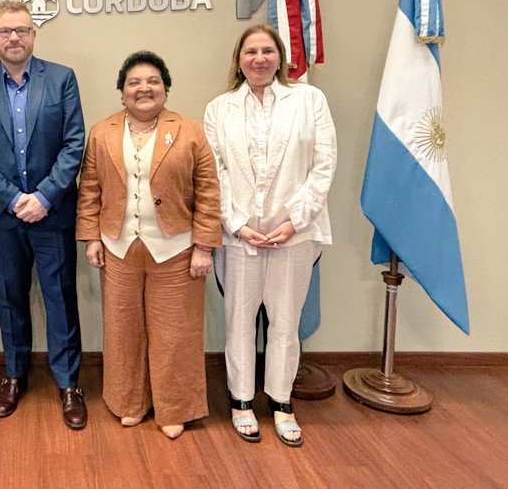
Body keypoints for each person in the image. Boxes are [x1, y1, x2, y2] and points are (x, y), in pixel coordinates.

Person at [203, 23, 336, 447]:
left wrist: (293, 221)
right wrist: (237, 224)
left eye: (266, 51)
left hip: (294, 237)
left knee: (285, 325)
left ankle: (281, 403)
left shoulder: (310, 100)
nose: (258, 58)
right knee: (239, 323)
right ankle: (241, 400)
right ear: (238, 60)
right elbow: (214, 173)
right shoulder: (219, 109)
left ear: (279, 56)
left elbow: (324, 164)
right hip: (239, 238)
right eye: (250, 52)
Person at [76, 51, 221, 439]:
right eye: (134, 82)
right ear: (122, 91)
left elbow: (208, 191)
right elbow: (89, 188)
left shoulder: (189, 130)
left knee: (176, 331)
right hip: (118, 247)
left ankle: (175, 407)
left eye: (153, 81)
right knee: (123, 329)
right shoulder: (102, 131)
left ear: (166, 88)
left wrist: (204, 246)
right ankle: (129, 402)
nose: (144, 88)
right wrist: (91, 237)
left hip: (175, 248)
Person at [0, 0, 87, 429]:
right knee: (10, 297)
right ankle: (14, 375)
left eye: (21, 30)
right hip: (4, 216)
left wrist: (45, 196)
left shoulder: (62, 79)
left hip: (52, 214)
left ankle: (69, 384)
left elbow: (74, 144)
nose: (13, 38)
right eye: (4, 31)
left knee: (60, 300)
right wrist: (14, 199)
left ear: (34, 34)